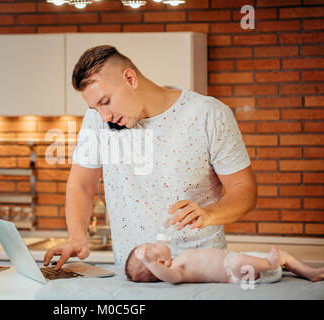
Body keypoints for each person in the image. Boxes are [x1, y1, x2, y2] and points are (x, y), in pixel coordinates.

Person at [44, 44, 257, 269]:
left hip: (201, 272)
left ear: (130, 79)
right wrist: (77, 237)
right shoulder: (98, 121)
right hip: (132, 275)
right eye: (95, 108)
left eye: (105, 102)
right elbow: (81, 184)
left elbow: (244, 189)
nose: (104, 116)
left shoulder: (208, 114)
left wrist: (210, 214)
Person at [125, 241, 324, 284]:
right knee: (237, 261)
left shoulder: (179, 258)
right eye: (153, 245)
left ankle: (311, 273)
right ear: (161, 261)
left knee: (284, 256)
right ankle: (270, 264)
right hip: (238, 272)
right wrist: (150, 263)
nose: (156, 241)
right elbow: (170, 278)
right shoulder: (177, 271)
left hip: (244, 259)